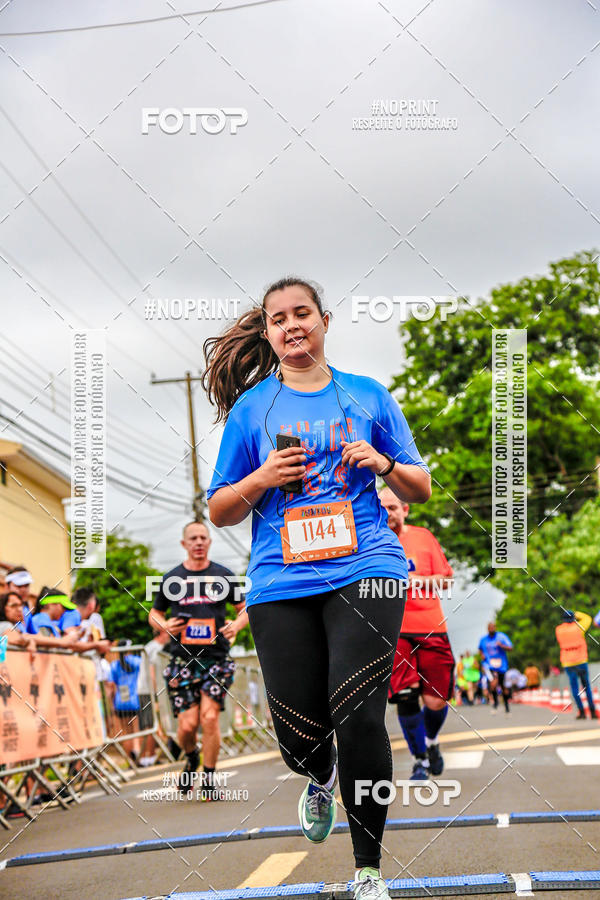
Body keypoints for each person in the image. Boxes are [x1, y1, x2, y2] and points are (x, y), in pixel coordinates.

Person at [204, 277, 431, 899]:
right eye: (278, 319)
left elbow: (419, 486)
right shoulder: (252, 410)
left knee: (359, 713)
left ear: (324, 321)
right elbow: (220, 509)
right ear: (269, 332)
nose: (291, 325)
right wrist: (262, 477)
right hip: (281, 579)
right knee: (299, 738)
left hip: (368, 567)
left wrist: (384, 464)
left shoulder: (367, 395)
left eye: (301, 313)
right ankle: (318, 774)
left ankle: (368, 869)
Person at [149, 521, 248, 797]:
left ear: (209, 542)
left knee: (209, 717)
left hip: (216, 658)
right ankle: (192, 757)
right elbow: (154, 614)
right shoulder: (172, 579)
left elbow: (245, 609)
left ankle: (209, 779)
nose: (199, 542)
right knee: (187, 726)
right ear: (184, 544)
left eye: (203, 537)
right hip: (182, 661)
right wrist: (164, 625)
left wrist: (237, 626)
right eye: (193, 538)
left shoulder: (223, 575)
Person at [379, 489, 454, 781]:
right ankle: (419, 760)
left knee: (436, 702)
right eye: (381, 507)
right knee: (406, 697)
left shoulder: (424, 537)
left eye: (392, 507)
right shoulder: (370, 541)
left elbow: (446, 582)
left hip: (432, 627)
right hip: (394, 631)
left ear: (405, 509)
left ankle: (431, 741)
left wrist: (414, 581)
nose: (387, 513)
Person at [555, 610, 598, 720]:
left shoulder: (559, 630)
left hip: (568, 662)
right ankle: (592, 712)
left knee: (574, 688)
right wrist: (576, 613)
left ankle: (581, 712)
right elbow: (588, 618)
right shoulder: (579, 627)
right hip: (581, 661)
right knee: (587, 687)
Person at [478, 623, 513, 714]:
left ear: (495, 628)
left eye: (493, 627)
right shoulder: (483, 639)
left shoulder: (501, 637)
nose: (491, 629)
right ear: (487, 629)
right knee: (493, 683)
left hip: (502, 665)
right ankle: (495, 704)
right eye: (489, 627)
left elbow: (510, 648)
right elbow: (480, 649)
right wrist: (482, 655)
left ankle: (506, 706)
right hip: (490, 665)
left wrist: (501, 645)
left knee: (502, 685)